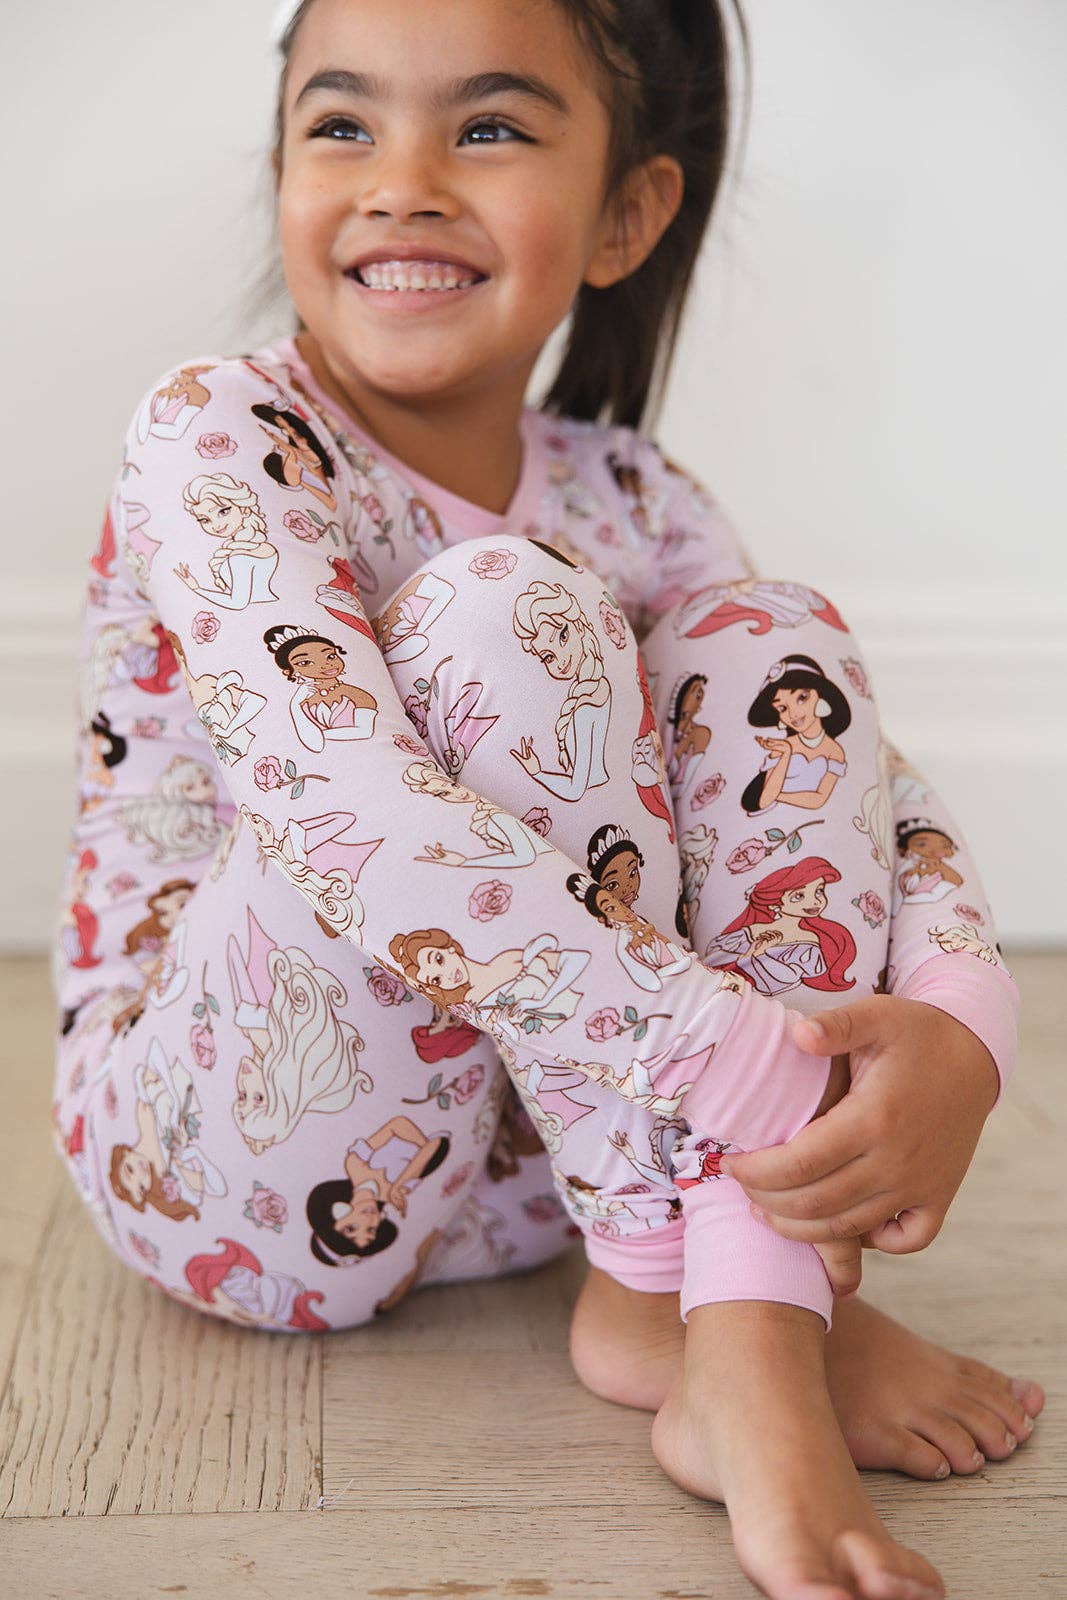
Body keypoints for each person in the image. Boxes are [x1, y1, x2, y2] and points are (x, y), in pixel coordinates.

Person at [49, 2, 1043, 1596]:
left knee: (771, 638)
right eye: (343, 125)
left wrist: (958, 1019)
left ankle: (719, 1299)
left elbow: (856, 786)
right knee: (502, 616)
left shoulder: (635, 495)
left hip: (550, 1179)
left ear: (626, 215)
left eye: (491, 128)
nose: (403, 182)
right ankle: (715, 1290)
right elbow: (345, 806)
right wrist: (759, 1076)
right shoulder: (221, 436)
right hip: (234, 1154)